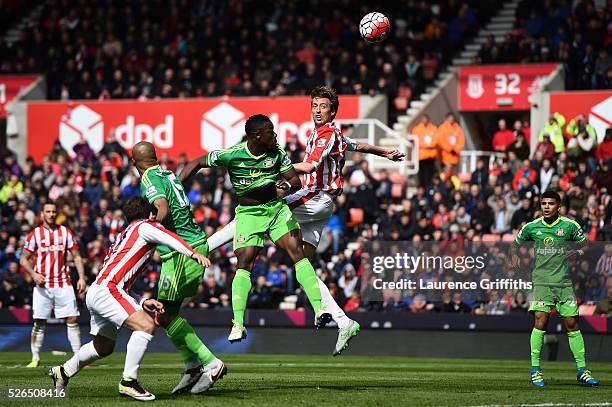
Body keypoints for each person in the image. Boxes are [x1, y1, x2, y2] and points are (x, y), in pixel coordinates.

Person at [202, 86, 404, 355]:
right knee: (303, 266)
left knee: (256, 209)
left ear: (333, 111)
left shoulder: (326, 134)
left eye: (323, 107)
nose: (318, 111)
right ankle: (344, 322)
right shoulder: (331, 134)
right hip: (321, 206)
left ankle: (201, 247)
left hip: (315, 197)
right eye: (315, 106)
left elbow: (308, 167)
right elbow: (357, 145)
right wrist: (384, 152)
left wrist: (269, 166)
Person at [179, 114, 331, 344]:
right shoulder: (232, 154)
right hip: (249, 214)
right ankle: (238, 324)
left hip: (276, 210)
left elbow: (296, 180)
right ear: (257, 136)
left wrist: (287, 184)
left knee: (297, 253)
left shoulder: (277, 152)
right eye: (271, 131)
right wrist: (177, 187)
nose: (275, 135)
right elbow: (197, 162)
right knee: (245, 262)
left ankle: (319, 309)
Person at [48, 197, 215, 401]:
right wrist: (192, 253)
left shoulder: (125, 234)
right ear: (150, 214)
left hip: (98, 290)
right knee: (146, 326)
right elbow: (170, 237)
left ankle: (63, 372)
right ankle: (129, 382)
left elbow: (121, 278)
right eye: (154, 213)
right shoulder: (145, 226)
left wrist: (141, 301)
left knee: (103, 347)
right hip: (108, 291)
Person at [132, 142, 224, 395]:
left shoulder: (149, 178)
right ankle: (193, 366)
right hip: (190, 246)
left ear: (134, 163)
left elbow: (162, 207)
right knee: (165, 314)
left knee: (164, 315)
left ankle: (211, 363)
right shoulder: (167, 172)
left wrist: (148, 229)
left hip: (181, 253)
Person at [514, 191, 599, 387]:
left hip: (563, 283)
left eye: (551, 203)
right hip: (542, 282)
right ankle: (535, 370)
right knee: (540, 321)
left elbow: (585, 243)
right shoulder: (532, 227)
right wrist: (517, 261)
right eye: (543, 203)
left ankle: (582, 370)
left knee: (572, 324)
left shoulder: (569, 226)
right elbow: (514, 245)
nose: (546, 207)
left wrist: (576, 252)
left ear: (558, 206)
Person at [20, 201, 87, 368]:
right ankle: (35, 358)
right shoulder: (35, 234)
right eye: (48, 211)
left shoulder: (65, 232)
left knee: (72, 318)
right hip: (43, 285)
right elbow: (23, 259)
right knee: (40, 321)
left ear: (57, 214)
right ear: (42, 214)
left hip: (63, 282)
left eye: (53, 211)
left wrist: (81, 277)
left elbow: (77, 256)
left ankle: (78, 357)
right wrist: (34, 274)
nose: (51, 214)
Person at [411, 114, 438, 187]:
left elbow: (436, 139)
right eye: (423, 119)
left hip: (431, 155)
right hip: (421, 156)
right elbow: (415, 141)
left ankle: (429, 187)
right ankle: (422, 187)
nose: (425, 121)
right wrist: (426, 145)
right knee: (422, 174)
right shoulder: (417, 129)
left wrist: (429, 145)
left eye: (426, 119)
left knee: (430, 173)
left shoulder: (433, 128)